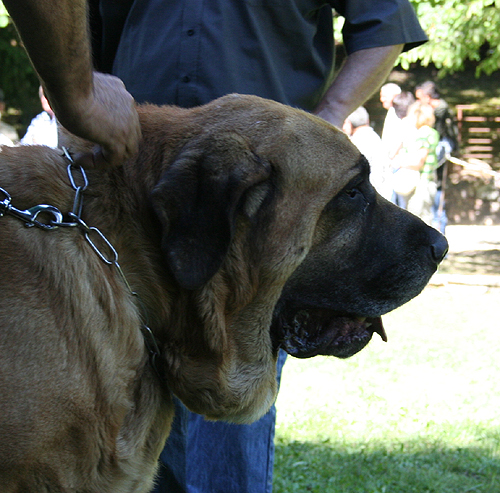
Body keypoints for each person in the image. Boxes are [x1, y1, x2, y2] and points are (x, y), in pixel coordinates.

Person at [4, 1, 428, 492]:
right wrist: (76, 90)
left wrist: (326, 120)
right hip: (118, 194)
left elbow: (383, 23)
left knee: (222, 456)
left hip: (278, 197)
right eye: (356, 198)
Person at [415, 80, 458, 233]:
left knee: (438, 190)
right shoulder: (437, 109)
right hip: (433, 161)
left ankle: (440, 228)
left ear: (427, 97)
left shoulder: (439, 110)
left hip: (441, 153)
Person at [394, 101, 440, 225]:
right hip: (427, 181)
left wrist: (399, 163)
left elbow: (418, 161)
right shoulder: (432, 132)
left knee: (418, 222)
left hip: (420, 184)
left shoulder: (423, 133)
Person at [343, 106, 392, 200]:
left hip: (371, 197)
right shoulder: (373, 136)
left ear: (349, 124)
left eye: (344, 123)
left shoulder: (357, 141)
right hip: (383, 193)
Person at [379, 82, 402, 155]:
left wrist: (391, 156)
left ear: (395, 96)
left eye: (385, 96)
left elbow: (401, 138)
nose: (382, 99)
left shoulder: (399, 113)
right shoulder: (391, 111)